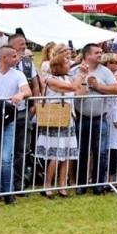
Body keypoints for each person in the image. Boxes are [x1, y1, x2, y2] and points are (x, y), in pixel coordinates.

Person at [0, 45, 31, 204]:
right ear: (4, 58)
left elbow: (27, 91)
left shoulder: (18, 74)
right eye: (14, 56)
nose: (17, 59)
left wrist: (20, 94)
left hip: (9, 119)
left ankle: (9, 193)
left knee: (5, 157)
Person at [73, 43, 117, 195]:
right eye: (97, 52)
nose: (100, 55)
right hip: (81, 117)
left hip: (100, 118)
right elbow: (72, 89)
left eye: (101, 52)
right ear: (87, 55)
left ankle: (98, 184)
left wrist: (99, 86)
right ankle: (80, 184)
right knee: (82, 152)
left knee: (100, 152)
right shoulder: (76, 71)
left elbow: (116, 89)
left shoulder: (105, 71)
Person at [36, 54, 85, 198]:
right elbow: (72, 88)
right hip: (56, 119)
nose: (69, 65)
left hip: (68, 118)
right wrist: (81, 75)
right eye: (66, 63)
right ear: (58, 67)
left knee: (67, 154)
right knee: (56, 154)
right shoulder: (50, 80)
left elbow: (79, 93)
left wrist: (82, 78)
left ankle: (63, 186)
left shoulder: (68, 77)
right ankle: (47, 185)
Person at [6, 33, 40, 194]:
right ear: (12, 45)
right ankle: (4, 184)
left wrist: (35, 105)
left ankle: (18, 185)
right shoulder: (1, 61)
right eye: (22, 44)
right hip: (5, 112)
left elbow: (35, 84)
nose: (25, 46)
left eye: (25, 44)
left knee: (22, 149)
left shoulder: (27, 62)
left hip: (23, 112)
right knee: (5, 150)